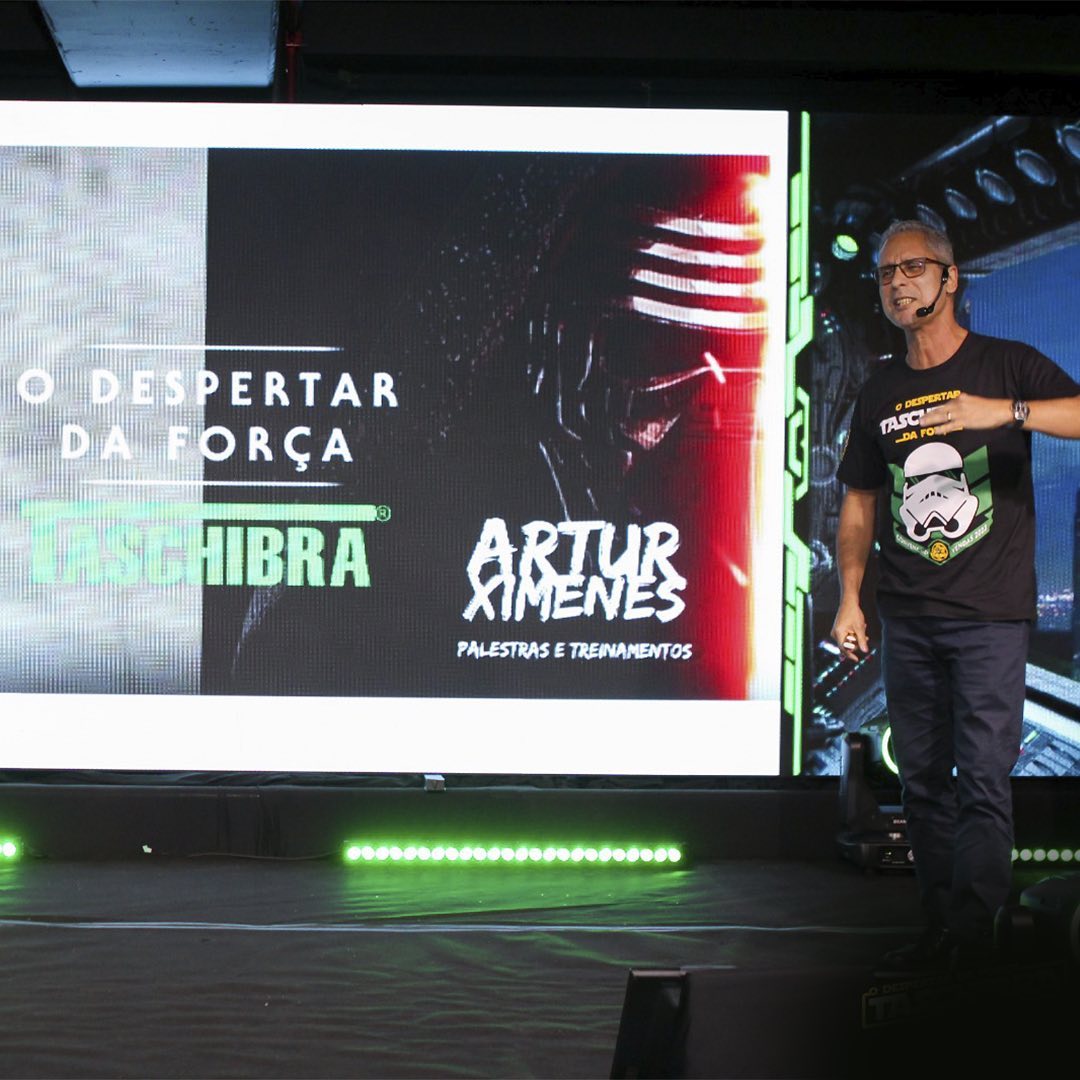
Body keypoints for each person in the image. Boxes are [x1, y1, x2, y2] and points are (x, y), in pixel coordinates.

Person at [830, 219, 1080, 971]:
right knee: (923, 787)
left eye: (913, 268)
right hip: (908, 618)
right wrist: (850, 598)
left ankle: (977, 940)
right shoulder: (880, 390)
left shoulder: (1006, 365)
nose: (898, 283)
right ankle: (941, 932)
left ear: (949, 277)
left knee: (982, 782)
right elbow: (860, 503)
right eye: (886, 273)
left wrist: (1005, 412)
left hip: (990, 618)